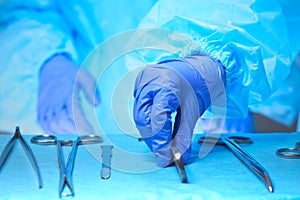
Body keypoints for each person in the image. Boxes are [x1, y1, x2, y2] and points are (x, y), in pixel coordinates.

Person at [0, 0, 299, 168]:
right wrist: (46, 58)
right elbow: (25, 7)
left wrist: (217, 61)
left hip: (229, 87)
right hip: (92, 89)